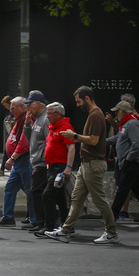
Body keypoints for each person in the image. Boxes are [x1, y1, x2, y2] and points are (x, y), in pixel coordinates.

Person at [46, 86, 119, 244]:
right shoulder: (94, 114)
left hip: (93, 164)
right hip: (87, 164)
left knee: (99, 199)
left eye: (79, 101)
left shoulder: (95, 115)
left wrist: (75, 136)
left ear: (87, 98)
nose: (78, 105)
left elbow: (93, 140)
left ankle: (111, 232)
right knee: (76, 199)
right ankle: (66, 230)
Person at [0, 97, 35, 227]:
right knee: (10, 188)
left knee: (30, 190)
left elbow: (24, 142)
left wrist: (12, 157)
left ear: (21, 107)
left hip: (23, 160)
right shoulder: (19, 120)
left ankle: (35, 219)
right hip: (18, 162)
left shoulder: (26, 120)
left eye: (13, 108)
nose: (11, 111)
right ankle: (8, 217)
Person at [35, 102, 75, 237]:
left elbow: (71, 148)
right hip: (52, 167)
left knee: (47, 195)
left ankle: (49, 226)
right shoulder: (53, 127)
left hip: (60, 167)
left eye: (50, 113)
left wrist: (68, 168)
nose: (47, 116)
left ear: (58, 114)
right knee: (59, 198)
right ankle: (66, 225)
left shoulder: (65, 127)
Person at [106, 100, 139, 222]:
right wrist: (101, 142)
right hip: (129, 161)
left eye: (117, 111)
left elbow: (137, 144)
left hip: (132, 162)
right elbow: (117, 138)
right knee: (138, 188)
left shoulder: (132, 124)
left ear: (123, 111)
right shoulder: (124, 124)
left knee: (123, 188)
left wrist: (127, 159)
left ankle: (112, 215)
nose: (116, 114)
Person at [22, 90, 50, 232]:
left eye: (30, 104)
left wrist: (45, 160)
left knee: (36, 191)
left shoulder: (45, 118)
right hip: (36, 161)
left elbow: (49, 141)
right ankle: (42, 222)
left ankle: (42, 222)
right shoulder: (37, 118)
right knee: (38, 192)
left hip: (42, 163)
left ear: (38, 103)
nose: (28, 108)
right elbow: (31, 137)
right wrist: (27, 124)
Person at [0, 95, 14, 176]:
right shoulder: (8, 113)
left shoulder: (13, 113)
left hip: (11, 136)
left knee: (7, 152)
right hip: (8, 136)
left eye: (6, 105)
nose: (5, 107)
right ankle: (2, 168)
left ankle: (2, 169)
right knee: (6, 152)